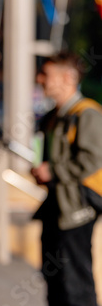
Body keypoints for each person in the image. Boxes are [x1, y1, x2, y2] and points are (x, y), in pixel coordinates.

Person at [31, 52, 101, 306]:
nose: (40, 79)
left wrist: (54, 171)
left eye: (46, 74)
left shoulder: (87, 113)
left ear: (68, 77)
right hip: (56, 206)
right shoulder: (52, 116)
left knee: (75, 281)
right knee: (55, 281)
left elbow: (93, 159)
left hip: (77, 208)